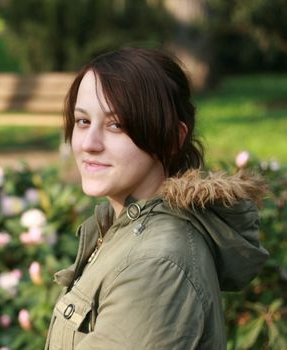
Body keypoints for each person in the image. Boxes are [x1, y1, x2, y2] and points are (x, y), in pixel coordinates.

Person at [44, 47, 269, 349]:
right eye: (83, 121)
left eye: (116, 125)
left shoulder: (155, 263)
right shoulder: (122, 230)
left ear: (173, 138)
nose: (89, 143)